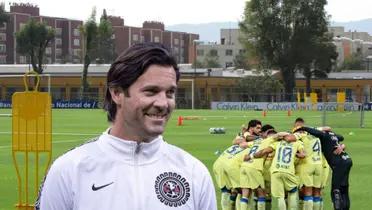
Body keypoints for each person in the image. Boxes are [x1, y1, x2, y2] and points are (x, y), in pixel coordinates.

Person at [35, 43, 217, 210]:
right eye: (151, 91)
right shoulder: (69, 169)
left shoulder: (194, 172)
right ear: (117, 93)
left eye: (170, 93)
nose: (163, 103)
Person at [294, 126, 352, 210]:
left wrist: (303, 128)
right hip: (347, 160)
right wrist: (342, 145)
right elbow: (341, 137)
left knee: (336, 190)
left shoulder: (323, 136)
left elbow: (316, 132)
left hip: (338, 164)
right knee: (344, 188)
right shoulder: (332, 135)